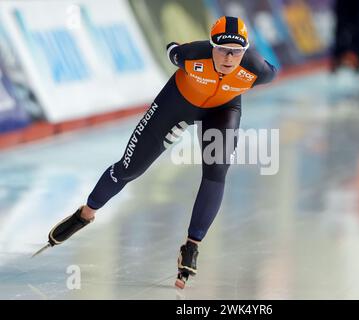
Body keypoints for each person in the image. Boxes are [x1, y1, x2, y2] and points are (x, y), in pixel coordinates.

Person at [40, 16, 277, 289]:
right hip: (177, 104)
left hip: (223, 111)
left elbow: (272, 71)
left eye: (236, 51)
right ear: (211, 46)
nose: (228, 57)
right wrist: (176, 48)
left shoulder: (258, 69)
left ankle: (191, 247)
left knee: (216, 171)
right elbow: (172, 48)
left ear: (245, 51)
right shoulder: (190, 55)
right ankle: (85, 214)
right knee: (131, 168)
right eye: (222, 49)